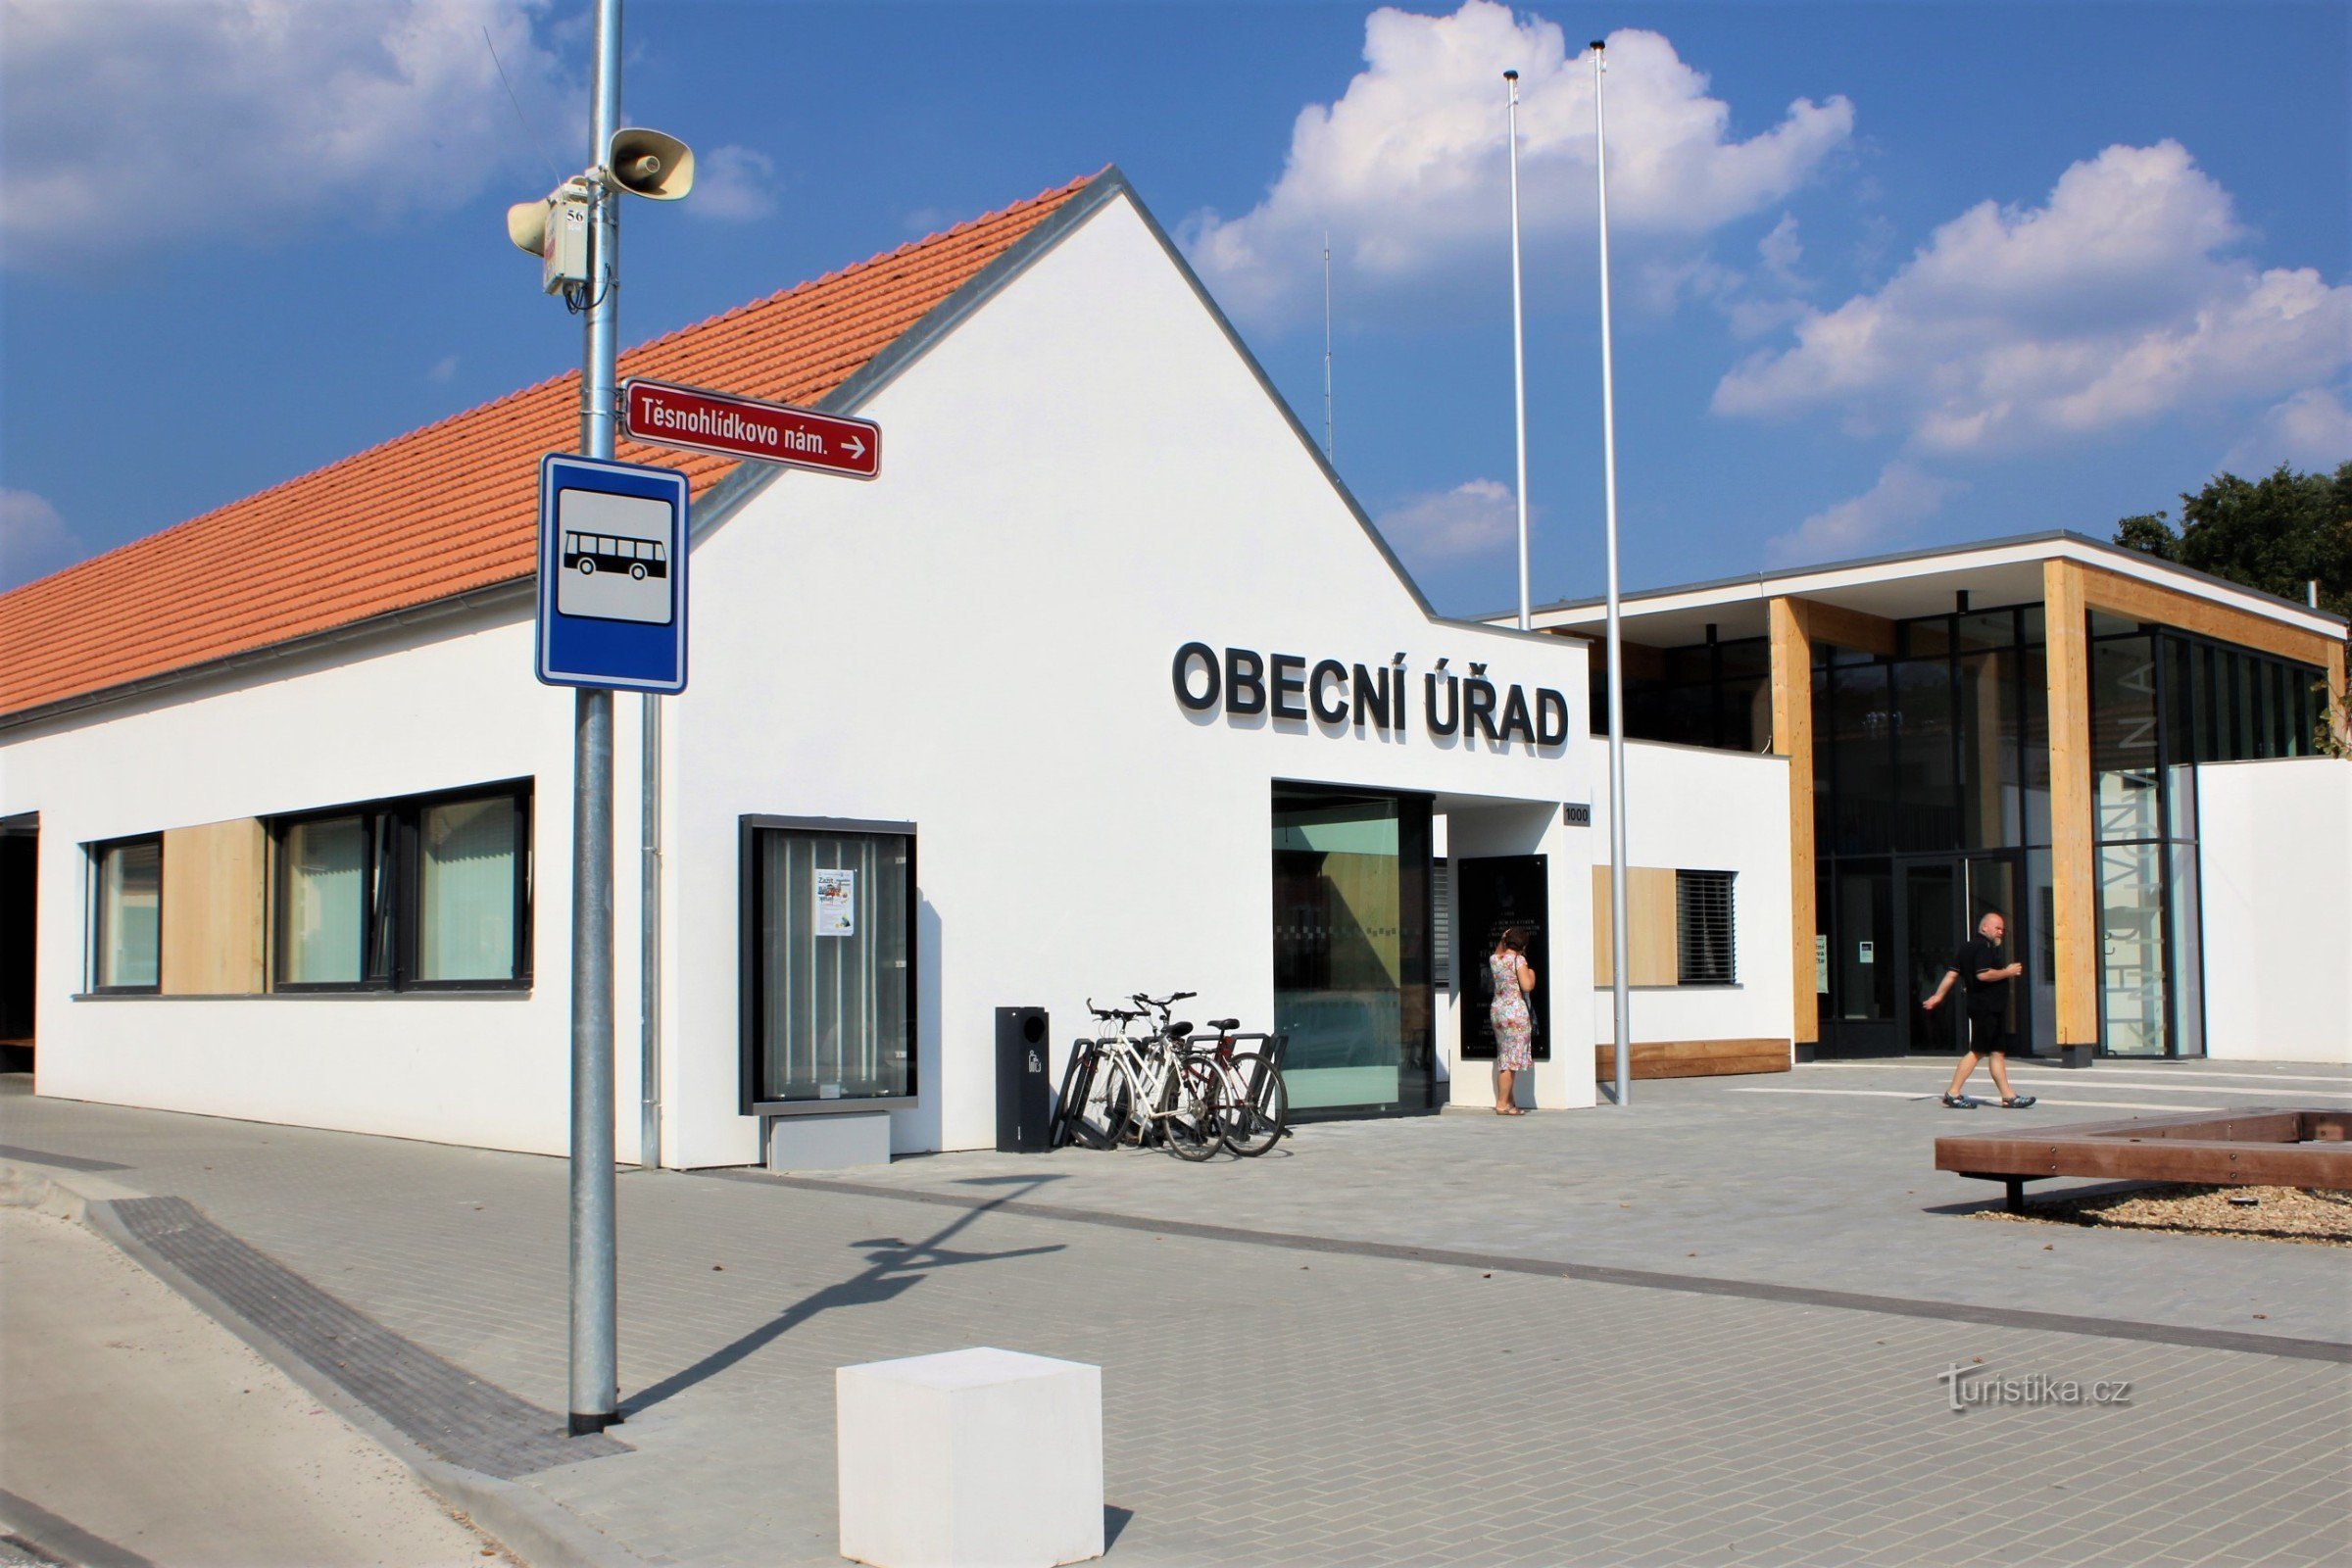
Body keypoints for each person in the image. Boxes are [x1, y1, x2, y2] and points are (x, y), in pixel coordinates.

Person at [1922, 910, 2036, 1109]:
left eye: (2002, 928)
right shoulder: (1982, 947)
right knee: (1977, 1051)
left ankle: (2008, 1097)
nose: (2001, 932)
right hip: (1986, 1008)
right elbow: (1983, 975)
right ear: (1984, 927)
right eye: (1997, 928)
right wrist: (2007, 972)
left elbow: (1951, 975)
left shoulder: (1967, 948)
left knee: (1997, 1052)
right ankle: (1953, 1092)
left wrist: (1938, 996)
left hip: (1988, 1008)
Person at [1489, 926, 1537, 1115]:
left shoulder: (1495, 959)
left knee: (1505, 1055)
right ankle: (1502, 1104)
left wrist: (1502, 939)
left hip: (1498, 1010)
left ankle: (1510, 1103)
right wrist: (1532, 974)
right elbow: (1526, 985)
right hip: (1515, 1012)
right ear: (1523, 945)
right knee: (1510, 1061)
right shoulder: (1519, 960)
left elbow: (1498, 951)